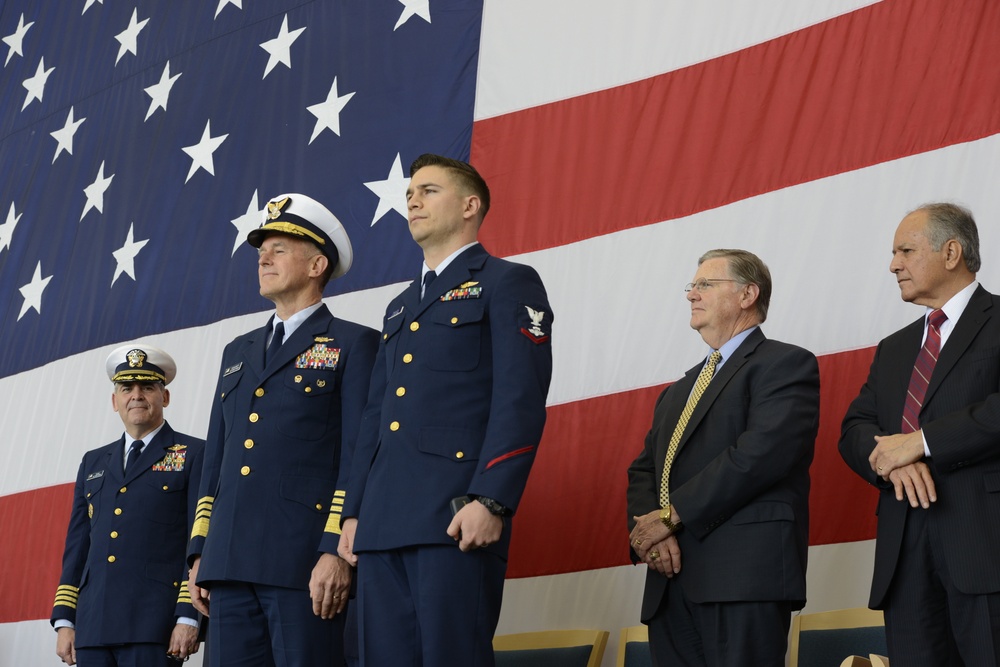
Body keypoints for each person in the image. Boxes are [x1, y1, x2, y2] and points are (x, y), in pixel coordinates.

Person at [337, 154, 553, 666]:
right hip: (382, 522)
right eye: (410, 193)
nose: (412, 200)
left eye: (429, 191)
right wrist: (352, 514)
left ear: (470, 206)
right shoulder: (399, 305)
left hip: (454, 516)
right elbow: (375, 419)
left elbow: (519, 399)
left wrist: (492, 500)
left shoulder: (508, 282)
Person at [187, 194, 378, 666]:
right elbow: (218, 460)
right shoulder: (238, 351)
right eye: (260, 252)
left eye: (279, 248)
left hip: (304, 563)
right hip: (228, 562)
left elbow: (359, 454)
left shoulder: (355, 344)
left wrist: (335, 549)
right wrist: (199, 554)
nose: (264, 258)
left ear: (316, 264)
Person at [626, 249, 820, 667]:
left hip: (742, 578)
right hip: (669, 582)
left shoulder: (785, 364)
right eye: (690, 287)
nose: (691, 295)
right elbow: (644, 470)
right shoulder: (678, 390)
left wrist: (672, 516)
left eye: (705, 285)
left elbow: (762, 453)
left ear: (748, 294)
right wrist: (652, 539)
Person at [839, 203, 1000, 666]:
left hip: (983, 549)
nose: (893, 264)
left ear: (952, 252)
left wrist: (923, 441)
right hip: (904, 558)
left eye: (906, 250)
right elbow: (855, 429)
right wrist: (894, 465)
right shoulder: (894, 348)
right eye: (894, 253)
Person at [51, 344, 205, 666]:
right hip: (93, 626)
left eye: (147, 387)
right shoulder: (93, 462)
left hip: (155, 625)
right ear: (114, 401)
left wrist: (188, 616)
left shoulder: (194, 454)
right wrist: (66, 619)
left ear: (164, 397)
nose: (136, 395)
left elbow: (201, 540)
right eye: (126, 388)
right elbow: (78, 546)